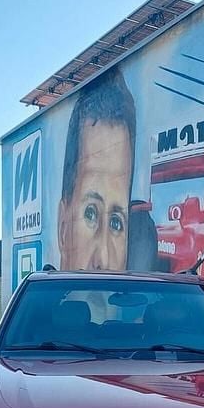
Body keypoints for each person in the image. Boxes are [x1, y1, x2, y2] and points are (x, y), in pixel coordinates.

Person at [57, 69, 136, 271]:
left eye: (117, 223)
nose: (103, 259)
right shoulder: (37, 298)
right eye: (90, 213)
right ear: (63, 228)